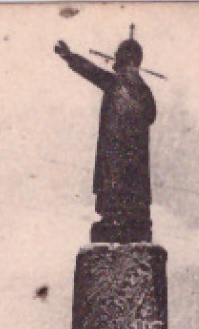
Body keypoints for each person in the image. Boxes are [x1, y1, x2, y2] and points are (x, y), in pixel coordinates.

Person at [54, 36, 157, 243]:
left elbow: (89, 70)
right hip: (135, 164)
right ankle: (131, 221)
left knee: (113, 193)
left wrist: (69, 56)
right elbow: (151, 116)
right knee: (132, 197)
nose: (114, 60)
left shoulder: (115, 82)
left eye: (118, 56)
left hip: (115, 158)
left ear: (125, 59)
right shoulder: (145, 92)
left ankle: (116, 221)